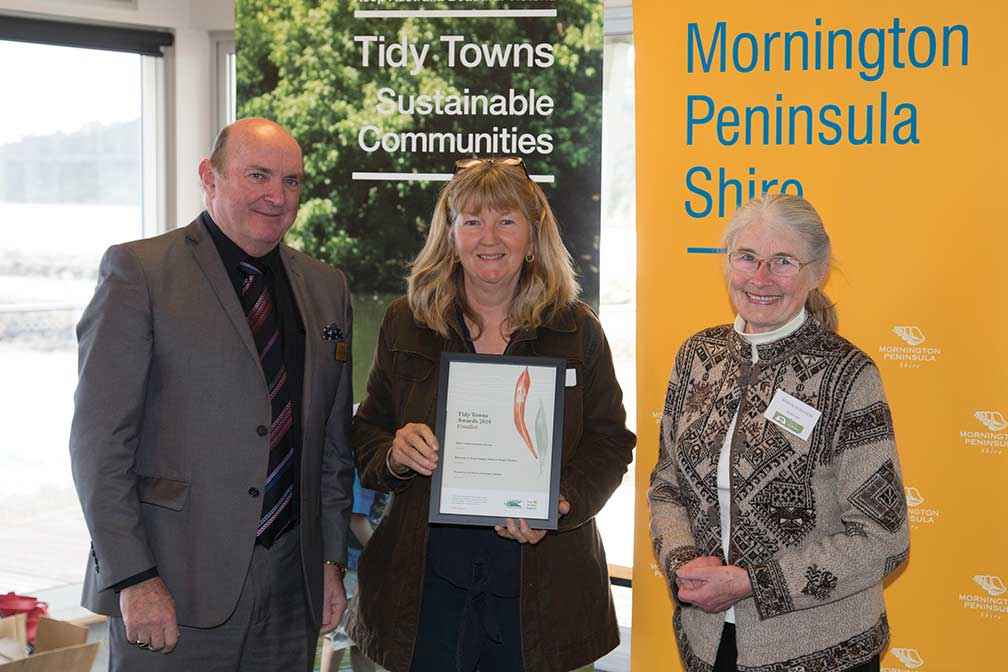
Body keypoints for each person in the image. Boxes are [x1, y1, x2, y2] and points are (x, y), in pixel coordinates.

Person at [70, 118, 355, 671]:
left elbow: (332, 446)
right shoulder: (140, 273)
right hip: (171, 587)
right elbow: (99, 444)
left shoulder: (327, 287)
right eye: (258, 175)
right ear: (211, 176)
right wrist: (133, 576)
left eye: (292, 181)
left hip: (292, 587)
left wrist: (331, 562)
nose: (277, 196)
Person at [347, 157, 636, 672]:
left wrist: (563, 502)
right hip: (424, 588)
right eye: (473, 221)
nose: (490, 237)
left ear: (533, 232)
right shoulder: (404, 322)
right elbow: (367, 432)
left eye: (507, 220)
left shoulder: (576, 329)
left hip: (543, 590)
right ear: (451, 233)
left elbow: (610, 443)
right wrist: (394, 452)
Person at [648, 192, 910, 672]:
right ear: (727, 264)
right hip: (709, 644)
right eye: (747, 257)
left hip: (821, 652)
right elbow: (666, 485)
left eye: (783, 261)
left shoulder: (848, 376)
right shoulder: (696, 356)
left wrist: (754, 581)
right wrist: (682, 560)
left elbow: (884, 537)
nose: (761, 278)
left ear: (817, 271)